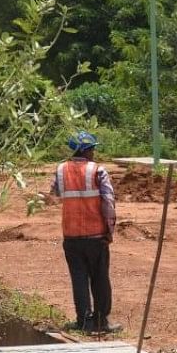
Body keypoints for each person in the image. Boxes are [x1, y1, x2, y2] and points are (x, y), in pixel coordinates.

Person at [51, 131, 121, 334]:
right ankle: (101, 321)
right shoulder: (97, 170)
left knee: (79, 279)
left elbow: (55, 192)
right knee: (100, 277)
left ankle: (83, 321)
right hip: (96, 234)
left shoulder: (61, 170)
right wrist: (110, 230)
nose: (94, 152)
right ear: (84, 150)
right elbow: (108, 201)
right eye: (92, 148)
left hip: (71, 236)